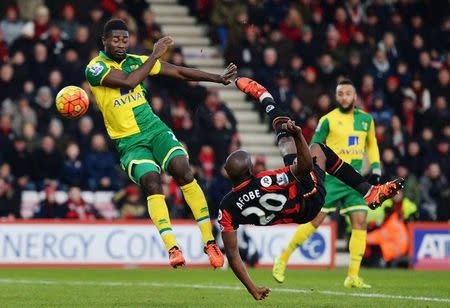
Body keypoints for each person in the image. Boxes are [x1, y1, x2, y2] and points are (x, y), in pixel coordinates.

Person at [218, 77, 404, 300]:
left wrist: (253, 288)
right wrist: (299, 136)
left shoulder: (226, 206)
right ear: (250, 170)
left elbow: (232, 254)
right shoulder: (266, 180)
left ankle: (265, 98)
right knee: (318, 149)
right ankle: (369, 191)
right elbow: (306, 167)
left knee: (285, 141)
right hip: (310, 196)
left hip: (295, 211)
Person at [85, 19, 236, 268]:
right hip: (129, 142)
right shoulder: (95, 68)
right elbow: (128, 82)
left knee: (183, 170)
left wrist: (217, 78)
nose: (121, 43)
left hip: (155, 130)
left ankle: (209, 242)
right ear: (104, 40)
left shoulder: (137, 60)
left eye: (125, 39)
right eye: (116, 39)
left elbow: (178, 71)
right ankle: (172, 248)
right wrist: (154, 53)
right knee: (152, 181)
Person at [274, 78, 384, 288]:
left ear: (355, 96)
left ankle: (352, 276)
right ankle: (283, 259)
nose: (344, 97)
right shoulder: (328, 120)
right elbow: (315, 145)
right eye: (340, 94)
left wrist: (376, 171)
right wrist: (314, 172)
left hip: (354, 181)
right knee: (315, 222)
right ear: (336, 96)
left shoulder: (366, 120)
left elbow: (373, 146)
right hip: (333, 179)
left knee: (360, 221)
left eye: (348, 93)